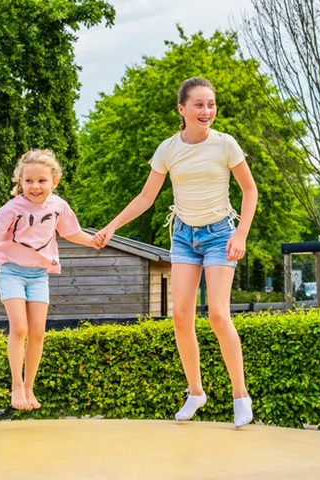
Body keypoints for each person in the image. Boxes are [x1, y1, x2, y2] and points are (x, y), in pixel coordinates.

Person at [92, 77, 258, 428]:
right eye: (199, 105)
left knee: (218, 315)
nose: (206, 111)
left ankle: (240, 395)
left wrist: (241, 234)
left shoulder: (225, 144)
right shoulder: (168, 149)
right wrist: (112, 225)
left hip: (220, 235)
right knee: (180, 316)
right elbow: (145, 197)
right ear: (182, 109)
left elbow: (249, 190)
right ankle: (195, 392)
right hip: (183, 236)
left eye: (211, 104)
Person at [0, 149, 97, 410]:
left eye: (42, 180)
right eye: (29, 181)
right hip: (12, 271)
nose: (35, 186)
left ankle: (29, 387)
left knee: (37, 332)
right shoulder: (9, 210)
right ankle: (16, 385)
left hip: (39, 275)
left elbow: (71, 232)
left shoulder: (58, 206)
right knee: (19, 328)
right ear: (20, 181)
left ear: (54, 182)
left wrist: (93, 240)